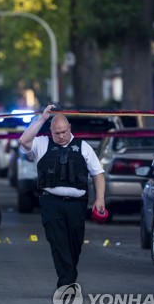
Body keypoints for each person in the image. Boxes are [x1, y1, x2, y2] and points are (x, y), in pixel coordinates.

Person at [19, 105, 106, 288]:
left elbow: (98, 174)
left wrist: (100, 199)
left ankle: (69, 276)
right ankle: (66, 284)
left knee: (75, 243)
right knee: (58, 242)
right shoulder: (42, 143)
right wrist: (42, 119)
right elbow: (24, 140)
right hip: (51, 202)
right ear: (50, 132)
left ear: (70, 129)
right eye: (56, 133)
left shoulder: (84, 147)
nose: (60, 136)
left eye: (63, 132)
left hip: (77, 204)